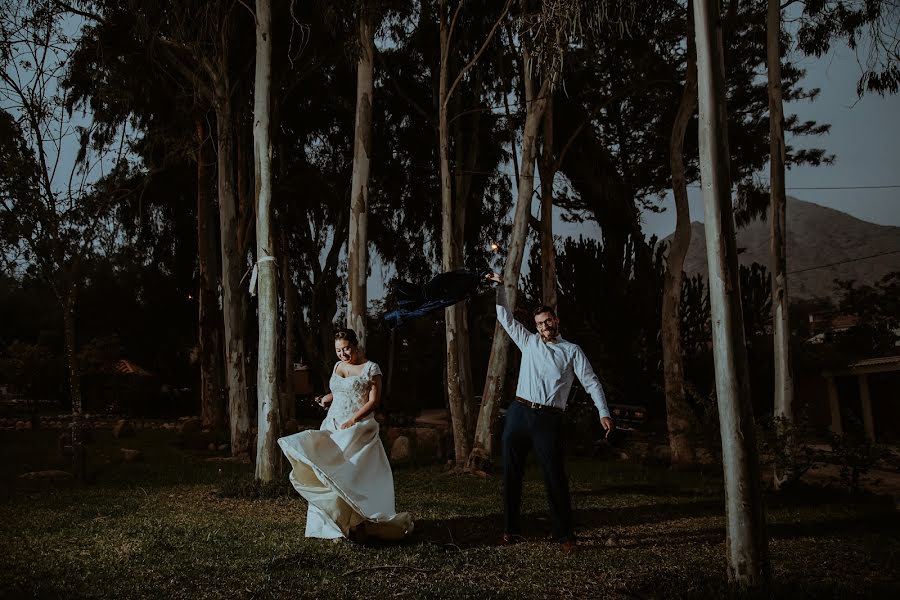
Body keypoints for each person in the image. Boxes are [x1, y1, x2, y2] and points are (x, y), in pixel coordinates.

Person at [485, 272, 614, 552]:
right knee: (511, 473)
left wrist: (602, 411)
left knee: (554, 475)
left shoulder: (571, 351)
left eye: (548, 321)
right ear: (537, 327)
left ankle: (564, 534)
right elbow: (505, 318)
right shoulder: (529, 342)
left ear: (556, 321)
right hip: (519, 413)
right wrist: (499, 288)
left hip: (548, 420)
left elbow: (590, 381)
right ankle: (511, 530)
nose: (545, 326)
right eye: (540, 324)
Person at [277, 329, 413, 542]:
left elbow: (373, 402)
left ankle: (359, 523)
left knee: (352, 475)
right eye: (338, 350)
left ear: (356, 344)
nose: (342, 354)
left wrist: (353, 420)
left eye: (346, 348)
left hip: (357, 428)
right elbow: (342, 390)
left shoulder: (371, 368)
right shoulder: (338, 366)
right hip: (331, 424)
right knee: (326, 471)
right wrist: (327, 398)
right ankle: (330, 526)